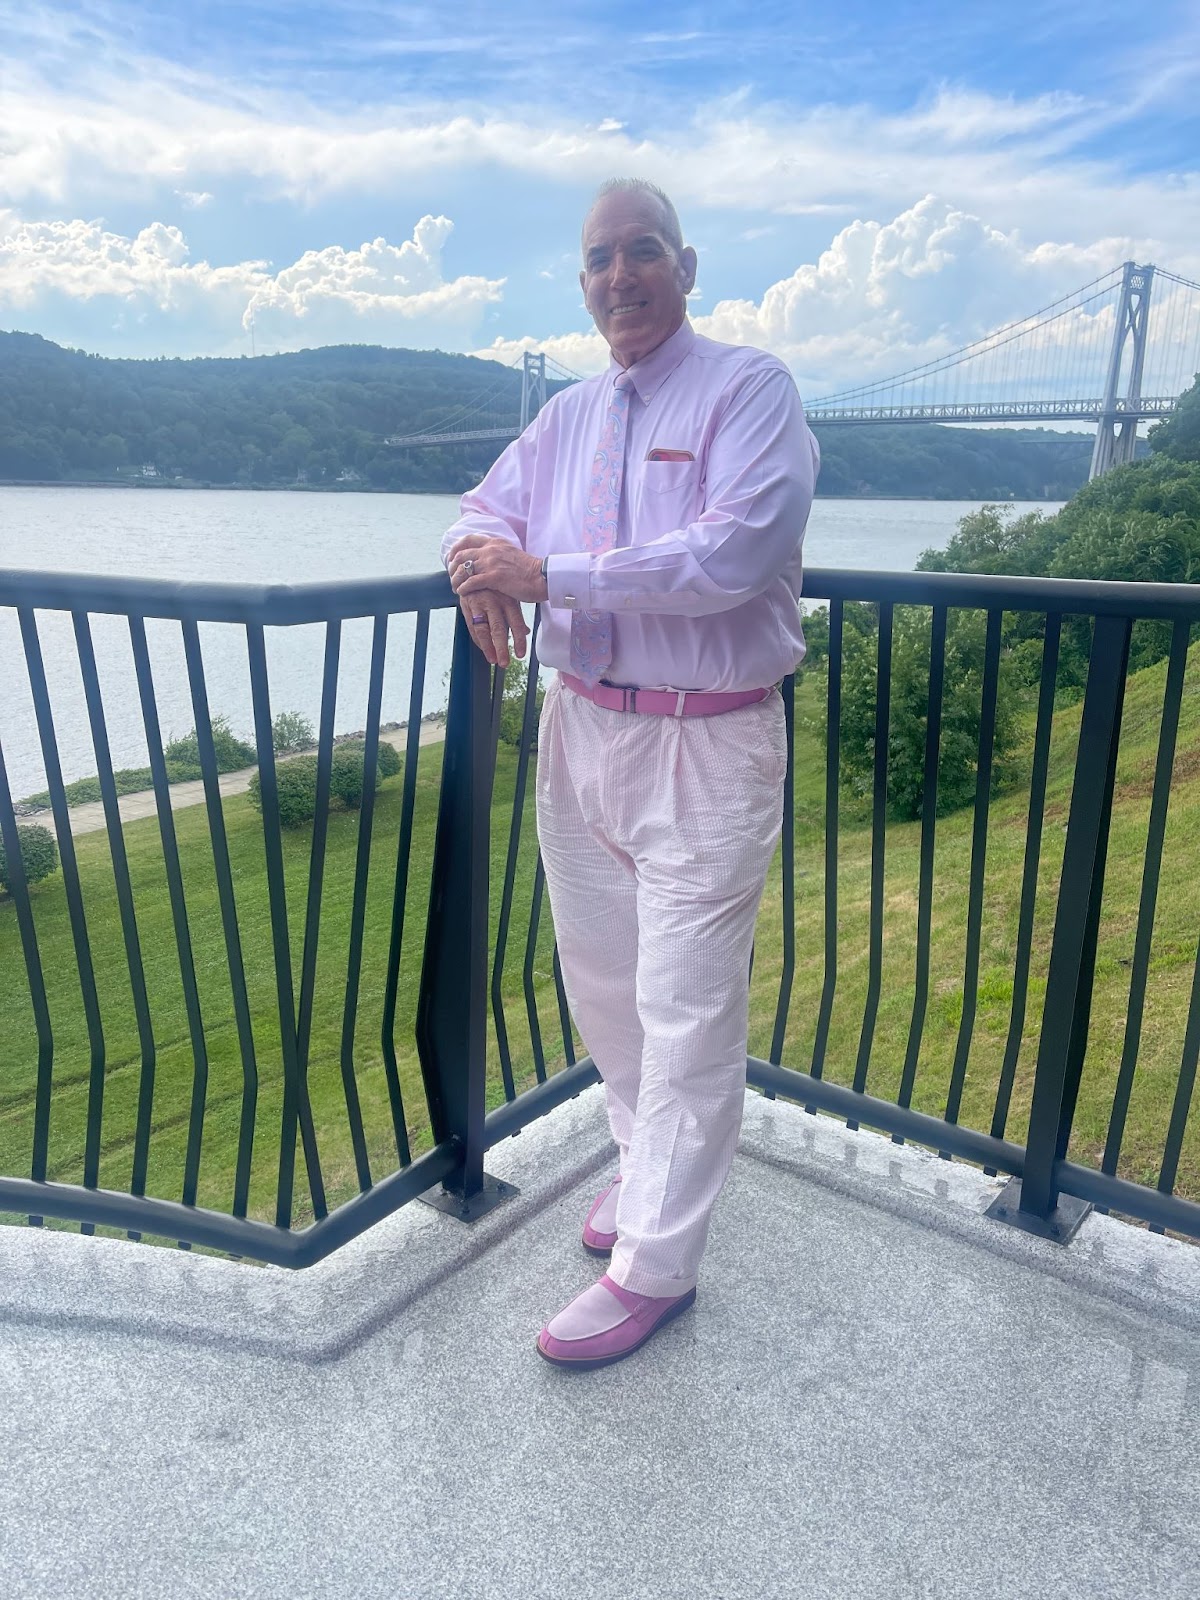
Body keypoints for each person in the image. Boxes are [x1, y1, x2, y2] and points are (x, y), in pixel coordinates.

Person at [442, 177, 819, 1370]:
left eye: (641, 250)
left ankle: (656, 1265)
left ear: (687, 264)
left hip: (706, 742)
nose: (619, 275)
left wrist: (547, 575)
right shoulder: (562, 417)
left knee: (689, 1010)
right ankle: (639, 1167)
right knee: (603, 985)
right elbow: (478, 510)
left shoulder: (749, 390)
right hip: (581, 731)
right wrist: (473, 568)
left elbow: (733, 551)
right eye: (599, 258)